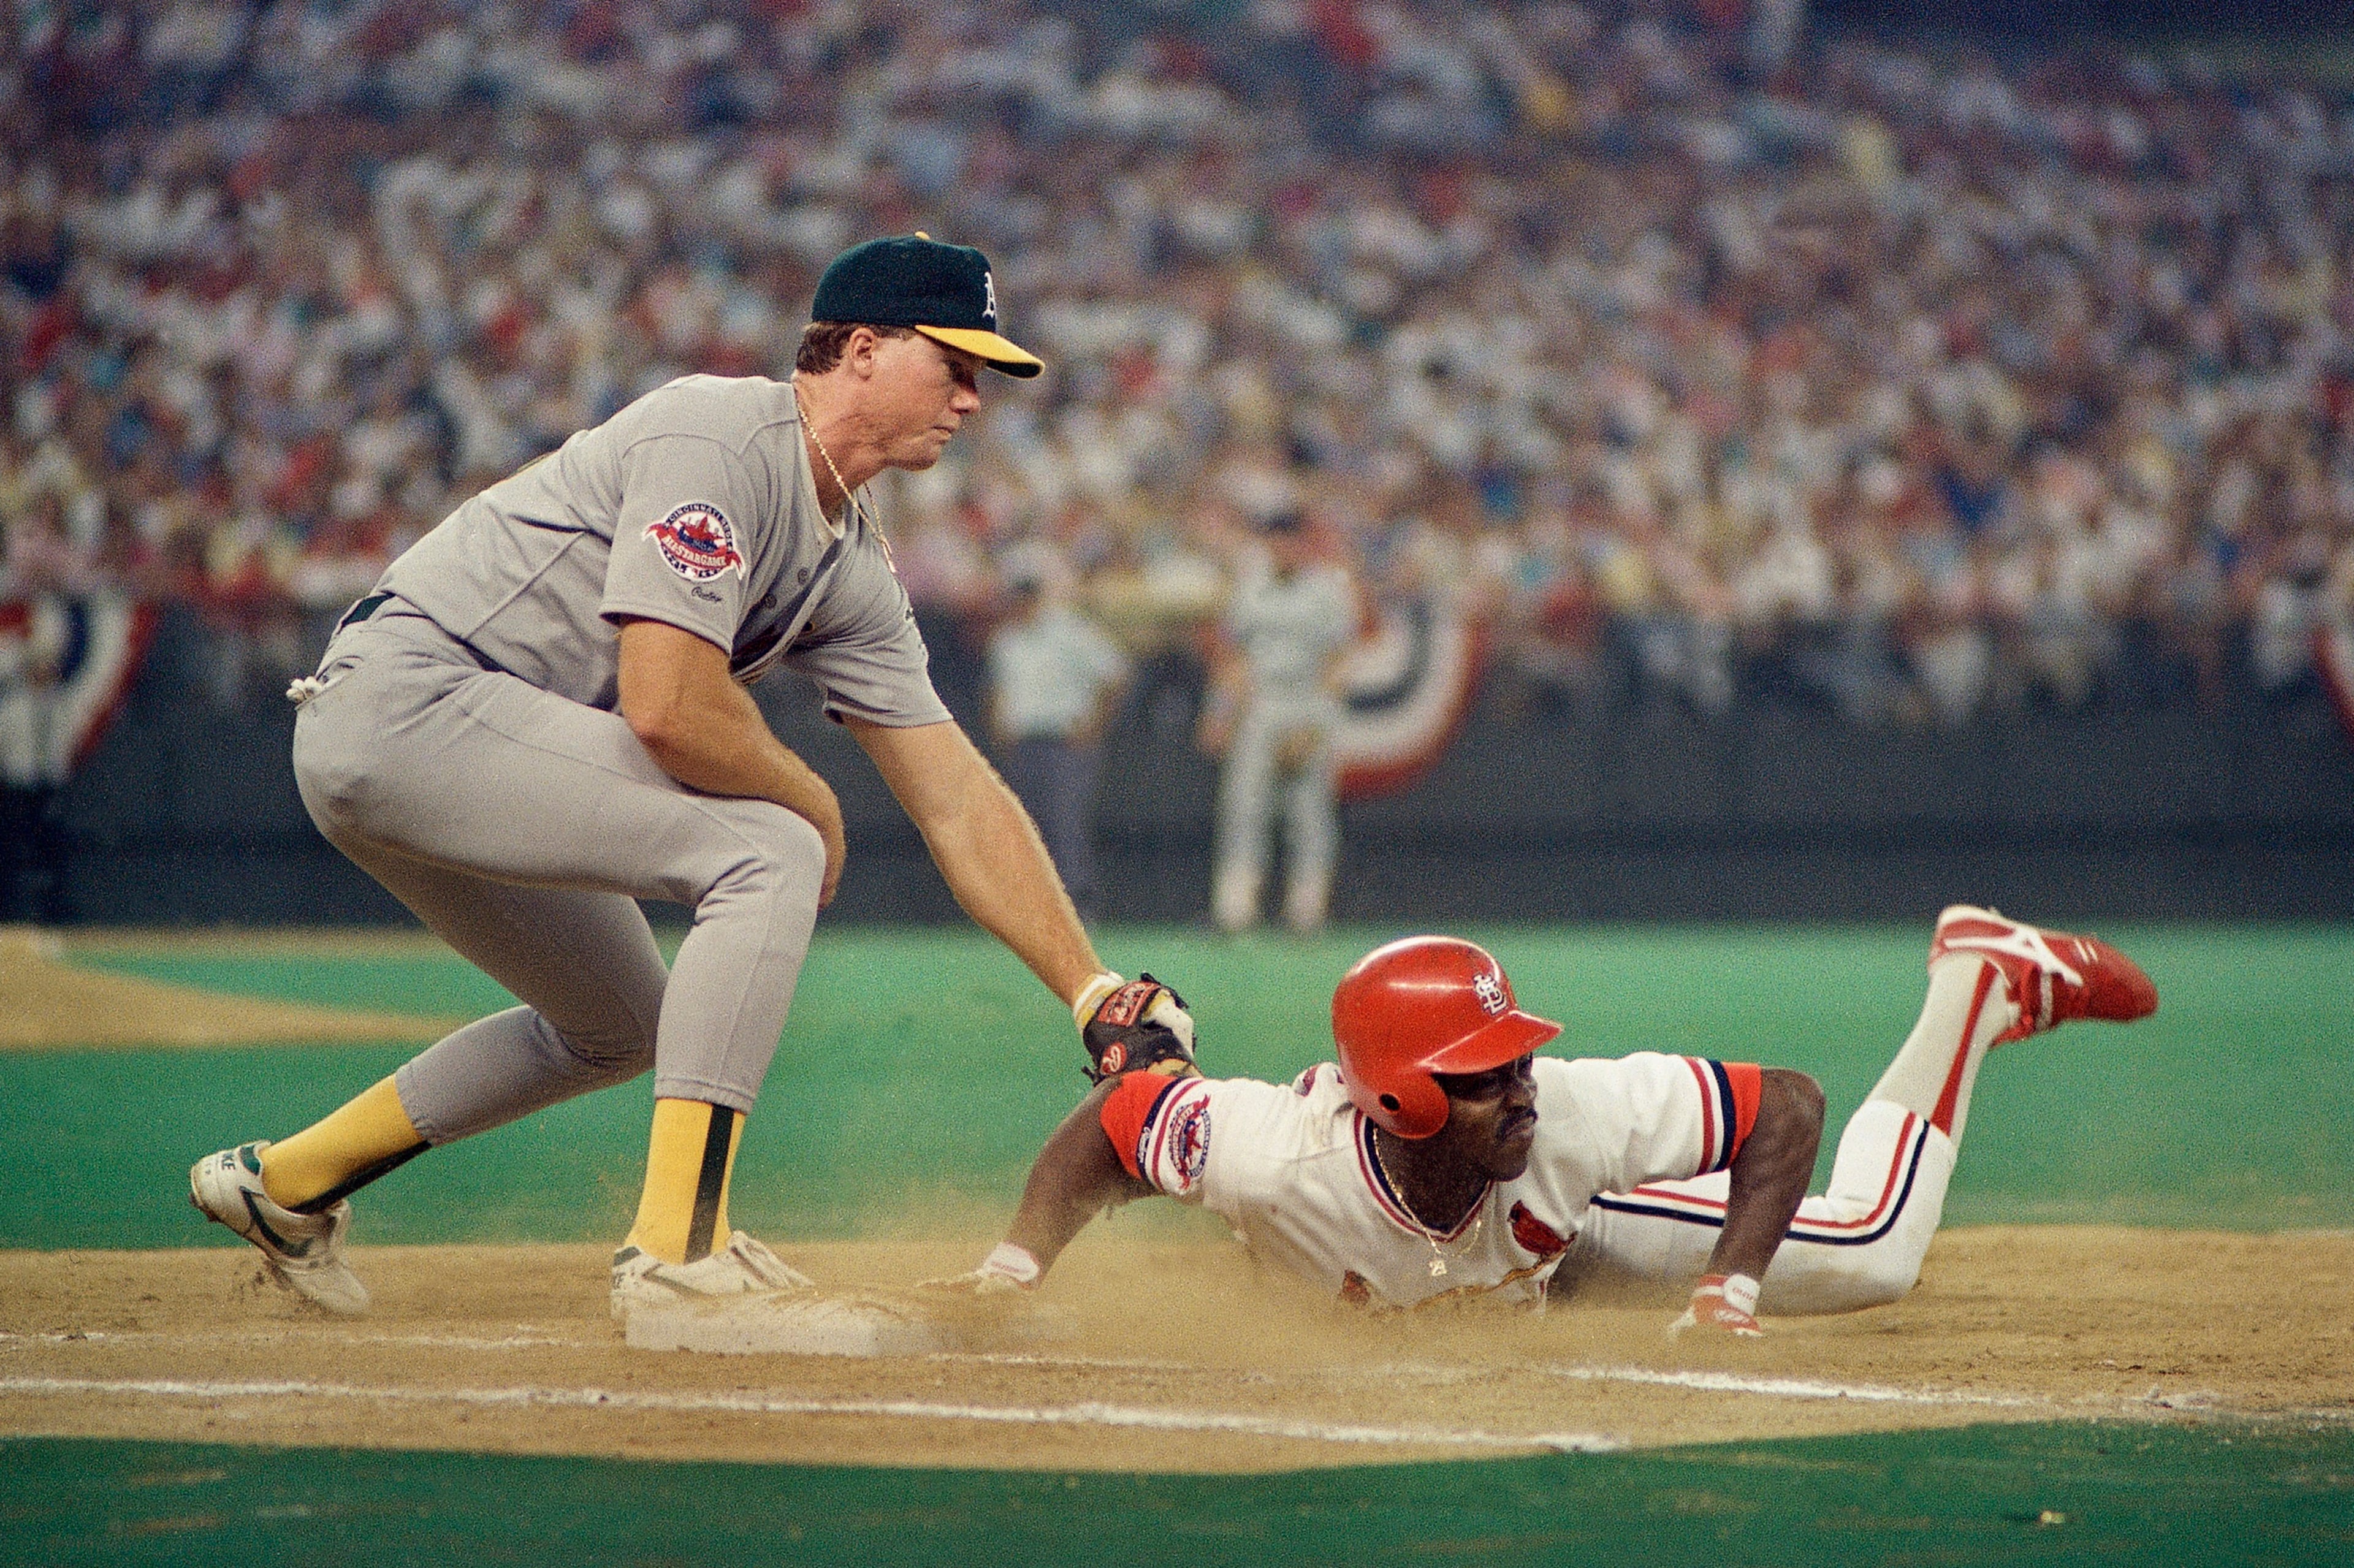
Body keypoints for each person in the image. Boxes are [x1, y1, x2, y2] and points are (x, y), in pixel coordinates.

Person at [189, 235, 1195, 1325]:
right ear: (861, 348)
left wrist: (1093, 989)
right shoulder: (719, 430)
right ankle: (676, 1253)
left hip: (461, 741)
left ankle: (285, 1185)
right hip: (408, 700)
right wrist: (806, 793)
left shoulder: (848, 566)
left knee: (619, 1022)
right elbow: (666, 703)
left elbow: (954, 793)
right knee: (770, 843)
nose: (972, 397)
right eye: (954, 362)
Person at [928, 906, 2157, 1333]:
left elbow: (1786, 1102)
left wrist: (1728, 1288)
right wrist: (1014, 1265)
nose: (1521, 1082)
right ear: (1401, 1094)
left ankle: (1977, 981)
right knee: (1219, 1186)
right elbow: (1119, 1125)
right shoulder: (1275, 1159)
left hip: (1582, 1235)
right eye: (1484, 1071)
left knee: (1878, 1250)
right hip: (1387, 1225)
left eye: (1516, 1057)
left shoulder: (1566, 1119)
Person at [1198, 508, 1357, 934]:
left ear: (1305, 543)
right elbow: (1233, 657)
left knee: (1309, 812)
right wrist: (1220, 713)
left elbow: (1339, 660)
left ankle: (1307, 910)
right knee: (1244, 806)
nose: (1283, 547)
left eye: (1291, 538)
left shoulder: (1328, 591)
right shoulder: (1250, 589)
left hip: (1307, 698)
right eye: (1276, 538)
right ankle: (1236, 909)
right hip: (1260, 701)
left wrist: (1317, 723)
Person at [984, 546, 1130, 919]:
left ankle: (1079, 910)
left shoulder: (1069, 631)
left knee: (1066, 825)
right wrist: (1001, 726)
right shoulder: (1007, 640)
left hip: (1065, 742)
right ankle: (1031, 911)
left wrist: (1095, 723)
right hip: (1023, 743)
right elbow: (1000, 691)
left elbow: (1114, 674)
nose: (1021, 603)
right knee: (1024, 827)